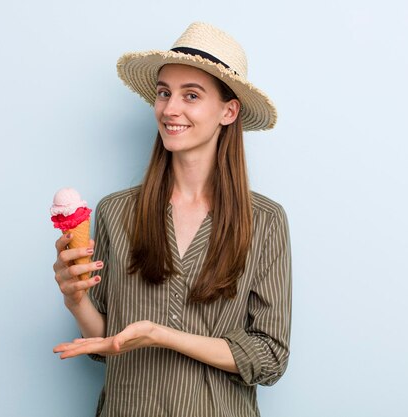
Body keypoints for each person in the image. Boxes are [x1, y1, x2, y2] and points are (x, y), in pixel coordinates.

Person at [52, 22, 292, 417]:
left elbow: (268, 357)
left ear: (228, 111)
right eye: (164, 93)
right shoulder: (116, 212)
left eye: (191, 95)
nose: (169, 109)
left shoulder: (265, 221)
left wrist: (162, 336)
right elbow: (106, 343)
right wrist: (75, 300)